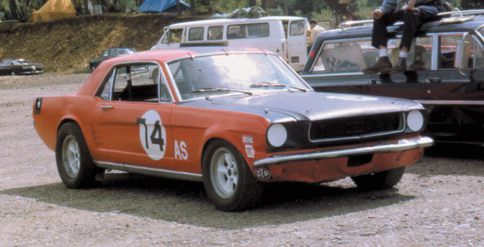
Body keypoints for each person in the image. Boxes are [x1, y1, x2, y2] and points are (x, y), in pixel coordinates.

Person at [362, 0, 445, 74]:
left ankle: (402, 58)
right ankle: (383, 58)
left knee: (411, 13)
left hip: (432, 6)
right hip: (411, 8)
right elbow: (389, 3)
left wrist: (411, 3)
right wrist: (380, 11)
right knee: (380, 19)